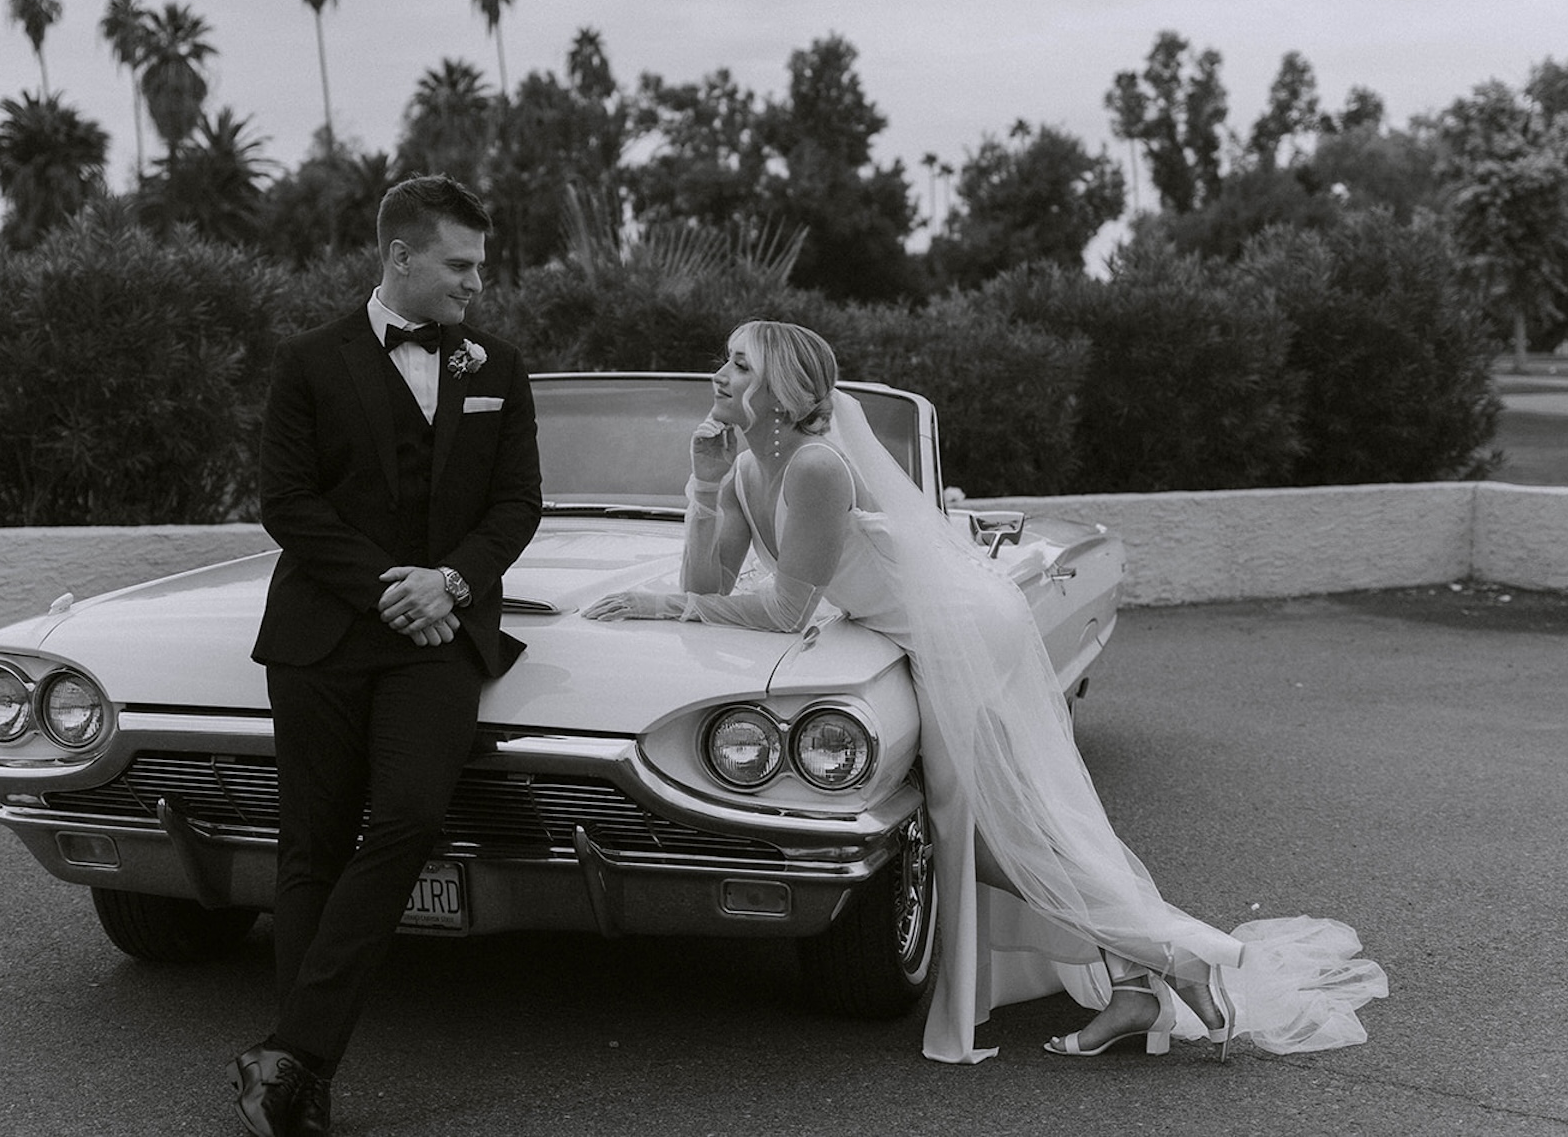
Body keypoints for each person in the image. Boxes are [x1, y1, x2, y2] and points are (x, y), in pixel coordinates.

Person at [584, 320, 1386, 1064]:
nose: (717, 373)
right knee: (998, 825)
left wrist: (670, 604)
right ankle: (1141, 980)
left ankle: (1173, 956)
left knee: (985, 828)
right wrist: (701, 482)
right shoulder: (749, 465)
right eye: (726, 359)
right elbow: (710, 581)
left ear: (784, 394)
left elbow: (784, 610)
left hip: (961, 631)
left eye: (738, 364)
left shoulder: (819, 468)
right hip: (916, 631)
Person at [238, 174, 542, 1135]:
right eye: (459, 265)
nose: (475, 285)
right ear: (399, 257)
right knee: (312, 847)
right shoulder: (307, 361)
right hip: (323, 633)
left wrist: (444, 584)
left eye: (480, 266)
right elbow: (287, 504)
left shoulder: (500, 366)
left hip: (441, 637)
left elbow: (516, 506)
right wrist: (387, 586)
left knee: (409, 816)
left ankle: (291, 1050)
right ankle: (304, 1085)